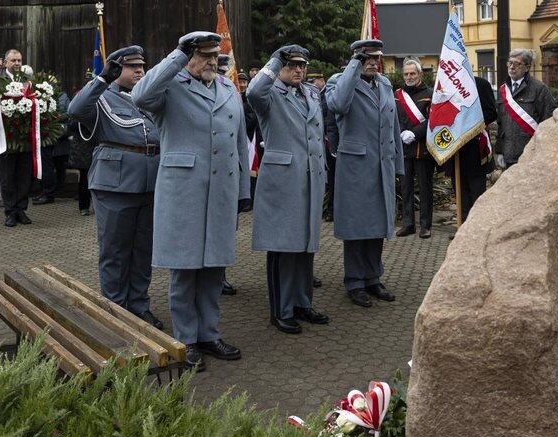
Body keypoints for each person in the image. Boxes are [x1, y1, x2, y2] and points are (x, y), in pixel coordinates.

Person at [132, 31, 249, 371]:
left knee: (214, 268)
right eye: (204, 55)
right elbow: (140, 94)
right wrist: (176, 55)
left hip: (221, 192)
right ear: (189, 57)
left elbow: (239, 142)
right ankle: (186, 340)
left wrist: (243, 189)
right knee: (184, 270)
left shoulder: (227, 88)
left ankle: (210, 334)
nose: (213, 61)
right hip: (184, 190)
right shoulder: (170, 87)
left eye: (215, 55)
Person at [68, 46, 163, 328]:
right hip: (115, 185)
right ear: (116, 70)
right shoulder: (102, 97)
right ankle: (115, 309)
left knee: (143, 249)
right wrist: (101, 79)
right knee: (115, 251)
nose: (139, 72)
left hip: (150, 182)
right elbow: (75, 110)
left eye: (141, 66)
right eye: (131, 67)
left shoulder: (148, 98)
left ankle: (139, 304)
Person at [247, 45, 328, 334]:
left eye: (302, 65)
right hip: (282, 181)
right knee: (283, 247)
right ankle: (281, 311)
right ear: (280, 66)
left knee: (305, 246)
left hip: (310, 179)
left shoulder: (311, 93)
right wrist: (274, 60)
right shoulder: (270, 94)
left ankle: (302, 303)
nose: (298, 70)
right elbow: (253, 92)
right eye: (291, 64)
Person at [325, 40, 403, 307]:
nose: (372, 63)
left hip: (382, 165)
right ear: (356, 58)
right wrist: (353, 67)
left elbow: (393, 125)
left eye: (375, 58)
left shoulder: (384, 83)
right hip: (355, 167)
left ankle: (373, 277)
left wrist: (398, 164)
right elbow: (338, 105)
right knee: (357, 227)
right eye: (366, 58)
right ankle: (354, 281)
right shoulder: (340, 82)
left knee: (377, 226)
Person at [0, 49, 33, 227]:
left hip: (25, 138)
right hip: (5, 136)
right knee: (7, 177)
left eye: (19, 60)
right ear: (5, 62)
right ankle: (10, 212)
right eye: (13, 60)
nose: (17, 63)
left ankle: (21, 210)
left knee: (24, 176)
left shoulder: (28, 79)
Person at [446, 75, 497, 231]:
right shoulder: (447, 87)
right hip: (455, 150)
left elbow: (491, 113)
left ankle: (477, 230)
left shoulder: (481, 84)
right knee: (460, 194)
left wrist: (466, 125)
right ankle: (462, 229)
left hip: (475, 150)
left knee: (477, 194)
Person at [394, 57, 435, 239]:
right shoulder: (397, 95)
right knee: (406, 188)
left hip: (422, 148)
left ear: (419, 74)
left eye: (412, 73)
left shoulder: (430, 93)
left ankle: (425, 226)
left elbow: (433, 120)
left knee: (425, 189)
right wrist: (401, 132)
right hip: (404, 147)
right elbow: (392, 117)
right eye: (406, 74)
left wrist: (415, 133)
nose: (409, 77)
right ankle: (408, 223)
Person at [496, 48, 554, 168]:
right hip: (508, 154)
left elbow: (548, 121)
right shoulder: (503, 90)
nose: (512, 67)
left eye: (517, 64)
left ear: (527, 67)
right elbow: (501, 125)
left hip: (530, 155)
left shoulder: (539, 89)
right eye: (510, 63)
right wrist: (500, 151)